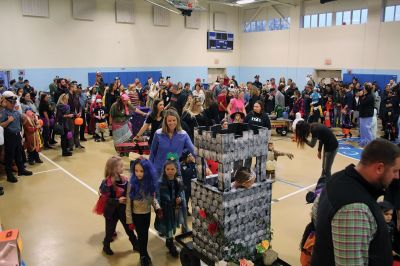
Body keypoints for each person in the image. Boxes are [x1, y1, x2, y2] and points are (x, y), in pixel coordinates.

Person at [311, 139, 400, 265]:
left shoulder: (336, 178)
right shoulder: (355, 208)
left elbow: (315, 216)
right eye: (395, 171)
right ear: (379, 168)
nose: (397, 176)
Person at [93, 156, 139, 256]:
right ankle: (106, 245)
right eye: (121, 166)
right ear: (113, 169)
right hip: (111, 211)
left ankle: (135, 244)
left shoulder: (123, 179)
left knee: (129, 228)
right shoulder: (107, 183)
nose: (123, 168)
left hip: (122, 210)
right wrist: (117, 200)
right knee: (110, 231)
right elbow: (104, 198)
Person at [126, 158, 161, 266]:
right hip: (137, 215)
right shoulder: (131, 185)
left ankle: (144, 253)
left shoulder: (149, 184)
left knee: (144, 235)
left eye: (141, 171)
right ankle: (143, 255)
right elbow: (128, 204)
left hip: (147, 214)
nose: (138, 174)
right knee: (141, 236)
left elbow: (152, 199)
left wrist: (158, 208)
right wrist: (129, 220)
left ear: (147, 171)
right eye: (136, 171)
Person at [149, 109, 195, 178]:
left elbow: (194, 151)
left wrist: (205, 166)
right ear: (165, 122)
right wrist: (149, 169)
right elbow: (152, 153)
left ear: (178, 121)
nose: (172, 123)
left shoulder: (184, 134)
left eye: (174, 120)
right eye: (169, 121)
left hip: (175, 171)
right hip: (159, 171)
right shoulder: (158, 133)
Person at [154, 159, 185, 257]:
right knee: (168, 226)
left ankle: (169, 240)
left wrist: (179, 198)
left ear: (176, 170)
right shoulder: (160, 182)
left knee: (172, 226)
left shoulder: (178, 181)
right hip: (165, 209)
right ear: (164, 170)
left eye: (172, 169)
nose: (170, 171)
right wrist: (158, 208)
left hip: (174, 208)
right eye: (168, 169)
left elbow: (180, 193)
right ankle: (170, 243)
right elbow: (156, 196)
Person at [1, 91, 33, 183]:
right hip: (9, 136)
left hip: (17, 135)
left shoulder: (16, 112)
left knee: (19, 154)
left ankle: (21, 170)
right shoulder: (4, 113)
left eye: (14, 102)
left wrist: (24, 120)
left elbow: (21, 123)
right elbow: (1, 125)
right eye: (11, 102)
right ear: (6, 102)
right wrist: (8, 121)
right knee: (9, 156)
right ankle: (9, 175)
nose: (13, 104)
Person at [180, 151, 197, 216]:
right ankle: (185, 212)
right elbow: (188, 173)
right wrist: (193, 163)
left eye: (191, 155)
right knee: (185, 200)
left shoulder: (190, 164)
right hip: (185, 186)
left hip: (192, 186)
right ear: (186, 157)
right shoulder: (182, 165)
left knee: (194, 200)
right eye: (189, 156)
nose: (191, 157)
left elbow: (195, 172)